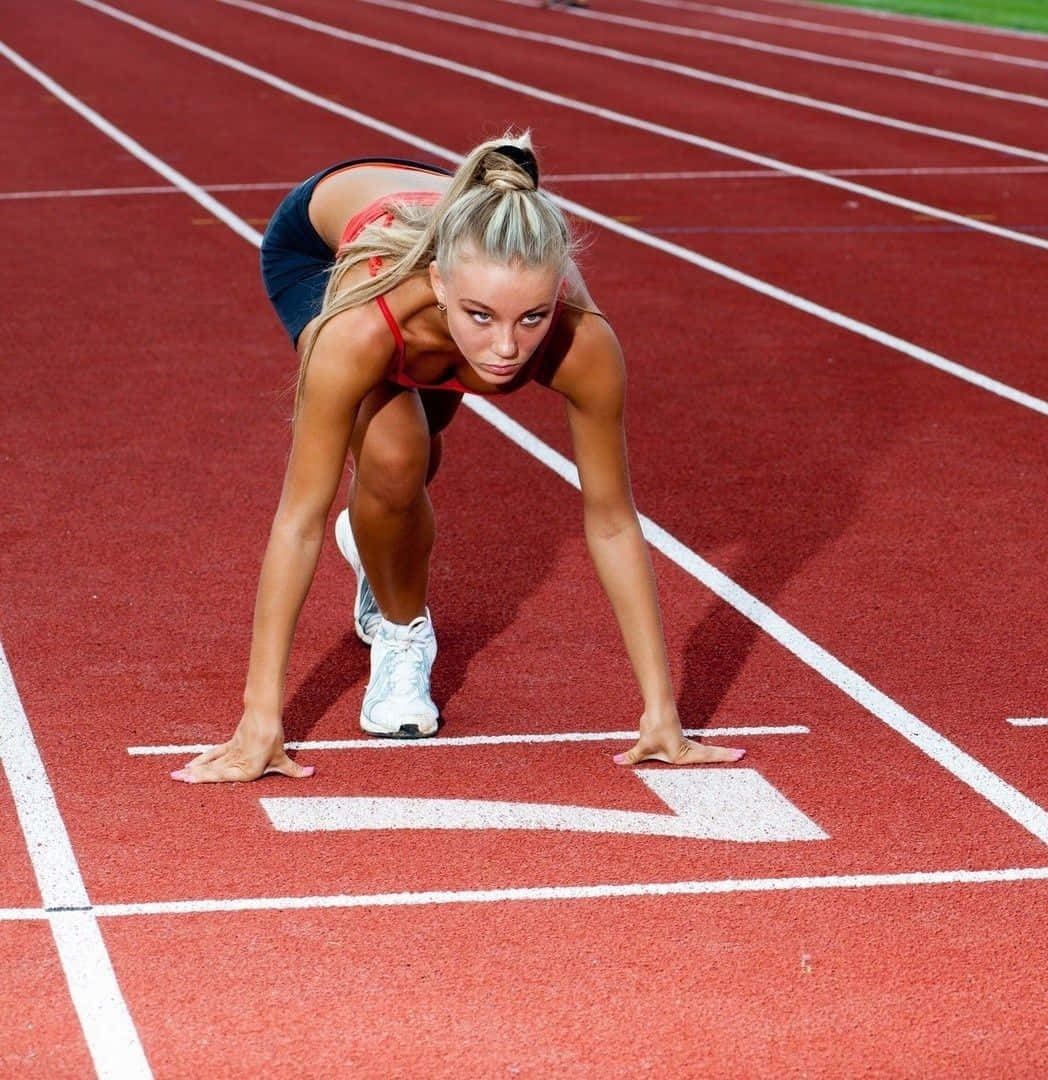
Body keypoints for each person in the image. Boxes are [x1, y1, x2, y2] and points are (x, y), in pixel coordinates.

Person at [172, 133, 743, 783]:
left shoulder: (579, 341)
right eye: (482, 316)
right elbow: (298, 519)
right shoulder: (358, 330)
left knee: (418, 456)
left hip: (446, 247)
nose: (506, 348)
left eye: (532, 317)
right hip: (320, 247)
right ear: (442, 284)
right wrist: (259, 722)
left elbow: (612, 520)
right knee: (394, 457)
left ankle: (376, 541)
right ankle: (400, 629)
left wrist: (661, 714)